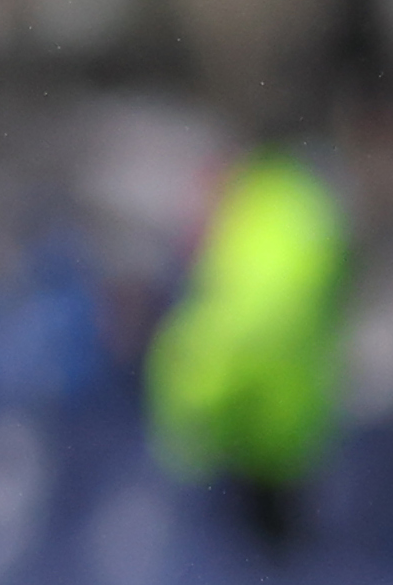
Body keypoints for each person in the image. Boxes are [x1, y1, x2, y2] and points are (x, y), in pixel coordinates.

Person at [148, 136, 351, 562]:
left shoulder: (257, 225)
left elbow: (239, 333)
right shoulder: (299, 206)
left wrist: (190, 406)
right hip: (295, 420)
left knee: (250, 565)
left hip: (254, 426)